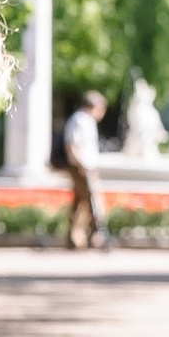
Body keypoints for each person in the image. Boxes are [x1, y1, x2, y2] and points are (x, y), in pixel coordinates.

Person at [62, 88, 111, 250]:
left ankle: (75, 239)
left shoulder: (86, 120)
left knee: (80, 203)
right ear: (94, 106)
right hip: (82, 168)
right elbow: (72, 146)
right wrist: (82, 166)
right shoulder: (80, 120)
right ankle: (98, 236)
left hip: (85, 167)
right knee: (92, 201)